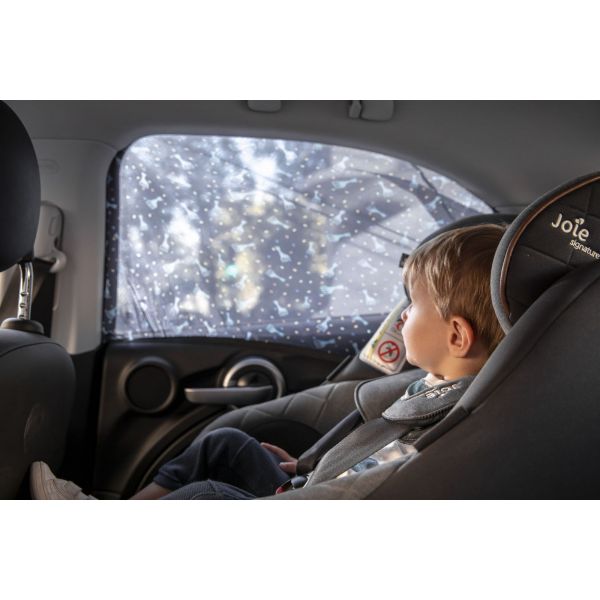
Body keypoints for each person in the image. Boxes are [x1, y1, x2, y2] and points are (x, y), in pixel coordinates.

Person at [30, 223, 506, 500]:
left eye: (413, 306)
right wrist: (307, 463)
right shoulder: (434, 385)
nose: (401, 316)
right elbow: (367, 448)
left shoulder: (453, 416)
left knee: (207, 497)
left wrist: (304, 485)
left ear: (457, 335)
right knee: (224, 444)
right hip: (312, 483)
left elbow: (376, 486)